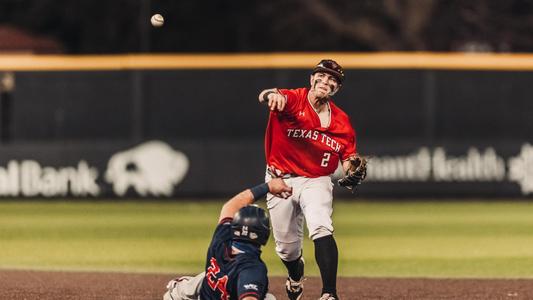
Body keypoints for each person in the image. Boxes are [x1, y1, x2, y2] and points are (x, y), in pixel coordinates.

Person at [257, 59, 366, 300]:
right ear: (312, 79)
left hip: (316, 180)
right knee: (286, 249)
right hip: (279, 180)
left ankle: (329, 293)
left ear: (337, 89)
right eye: (322, 76)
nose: (326, 82)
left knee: (320, 225)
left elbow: (348, 157)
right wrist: (271, 96)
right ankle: (295, 275)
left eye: (333, 80)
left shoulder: (341, 122)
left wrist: (352, 167)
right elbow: (269, 95)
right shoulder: (294, 99)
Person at [163, 178, 292, 300]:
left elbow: (231, 205)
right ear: (264, 235)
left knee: (203, 278)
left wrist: (268, 186)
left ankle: (176, 294)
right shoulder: (252, 268)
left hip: (206, 295)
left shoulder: (222, 236)